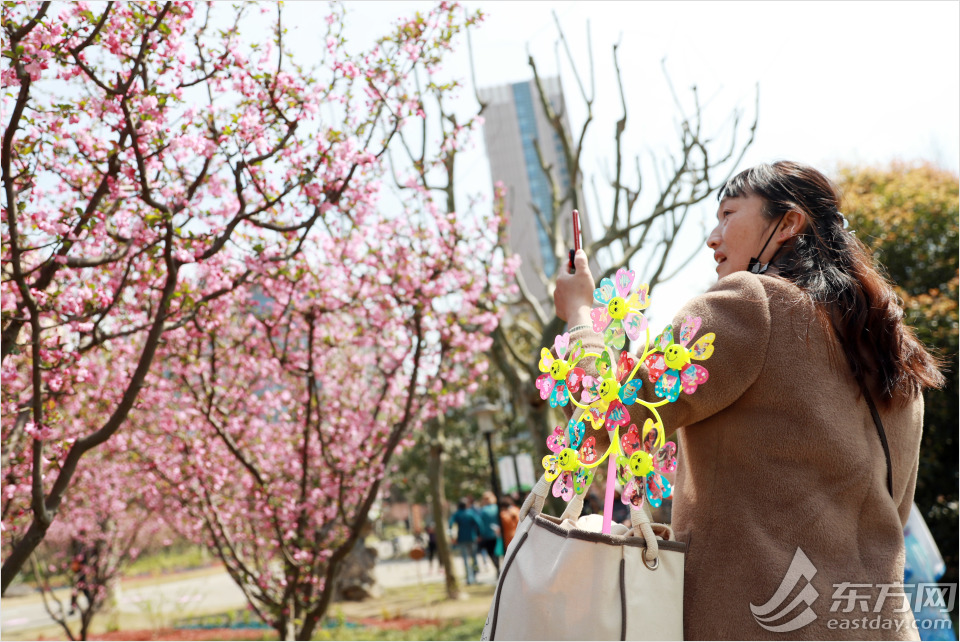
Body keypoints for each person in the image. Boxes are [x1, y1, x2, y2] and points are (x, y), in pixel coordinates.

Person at [554, 161, 944, 640]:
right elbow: (896, 515)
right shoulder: (897, 355)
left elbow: (603, 418)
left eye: (728, 214)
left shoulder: (751, 303)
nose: (712, 237)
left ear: (788, 222)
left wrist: (578, 314)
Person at [448, 499, 482, 585]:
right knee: (474, 557)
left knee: (465, 559)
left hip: (462, 538)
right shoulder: (470, 513)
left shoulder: (457, 514)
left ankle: (469, 578)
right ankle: (475, 575)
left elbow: (450, 524)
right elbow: (479, 523)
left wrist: (452, 537)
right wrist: (479, 534)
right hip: (472, 537)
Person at [476, 491, 501, 576]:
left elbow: (480, 524)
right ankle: (500, 568)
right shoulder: (497, 508)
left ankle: (497, 568)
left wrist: (480, 534)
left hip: (487, 535)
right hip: (498, 534)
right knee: (498, 552)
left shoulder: (483, 510)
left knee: (491, 553)